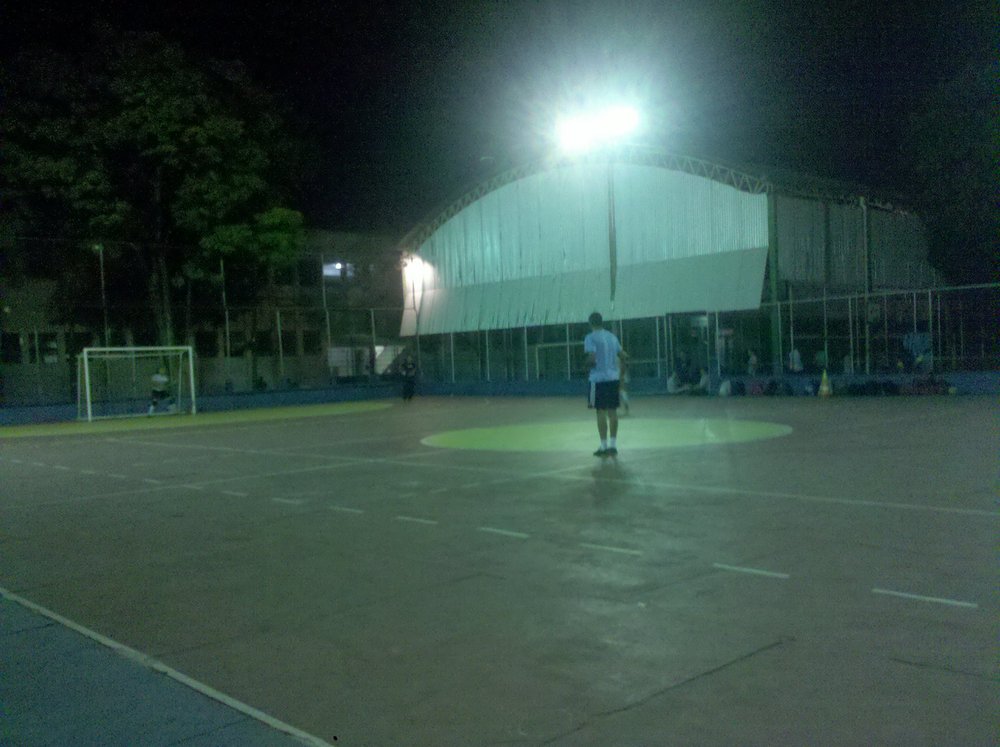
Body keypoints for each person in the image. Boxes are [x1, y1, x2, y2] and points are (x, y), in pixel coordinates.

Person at [584, 312, 625, 457]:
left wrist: (586, 365)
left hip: (597, 379)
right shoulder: (612, 337)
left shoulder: (590, 338)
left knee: (600, 411)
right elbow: (623, 356)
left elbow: (592, 357)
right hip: (612, 378)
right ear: (602, 321)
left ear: (590, 323)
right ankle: (613, 445)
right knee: (612, 411)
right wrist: (621, 374)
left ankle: (603, 445)